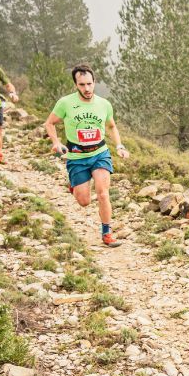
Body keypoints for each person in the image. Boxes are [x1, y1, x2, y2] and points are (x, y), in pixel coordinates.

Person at [43, 64, 130, 247]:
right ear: (76, 85)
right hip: (77, 156)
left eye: (90, 84)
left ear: (94, 82)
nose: (87, 89)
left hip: (100, 153)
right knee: (84, 201)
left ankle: (107, 233)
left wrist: (119, 145)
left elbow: (112, 126)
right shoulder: (66, 103)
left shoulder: (104, 104)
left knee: (102, 193)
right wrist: (56, 143)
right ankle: (75, 185)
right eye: (82, 85)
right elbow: (50, 123)